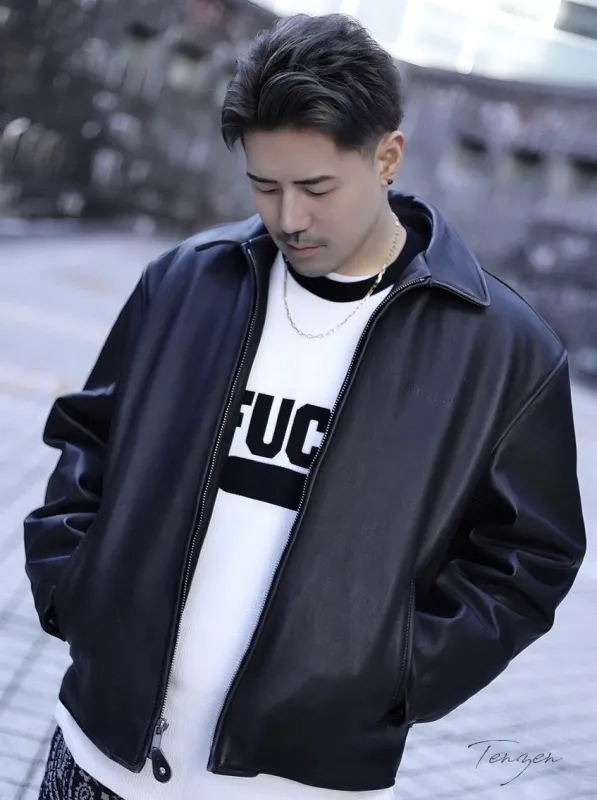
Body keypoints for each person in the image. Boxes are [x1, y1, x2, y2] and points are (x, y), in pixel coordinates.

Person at [25, 12, 586, 800]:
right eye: (264, 186)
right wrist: (75, 587)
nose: (288, 218)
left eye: (316, 188)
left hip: (300, 786)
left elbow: (529, 557)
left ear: (386, 156)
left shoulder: (502, 352)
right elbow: (90, 439)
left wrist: (394, 676)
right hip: (97, 754)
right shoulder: (186, 283)